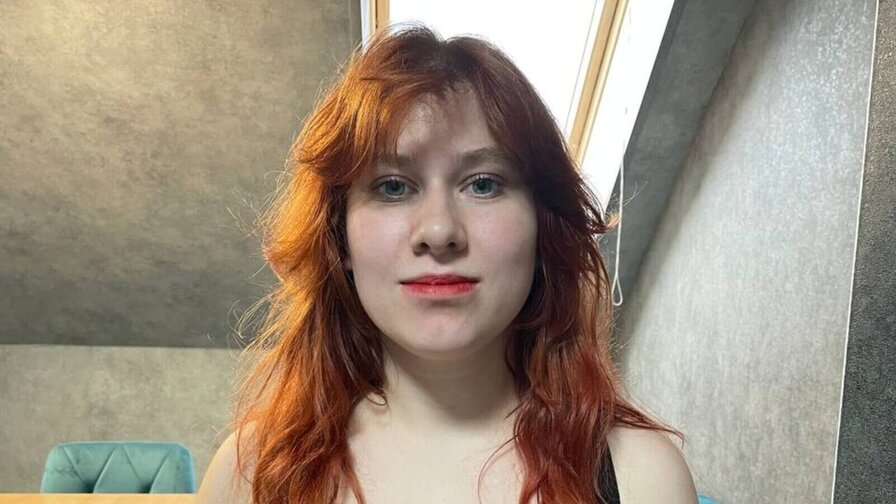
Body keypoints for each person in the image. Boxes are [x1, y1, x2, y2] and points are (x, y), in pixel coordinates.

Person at [197, 23, 698, 504]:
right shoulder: (248, 475)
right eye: (393, 187)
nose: (439, 231)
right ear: (339, 238)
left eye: (483, 183)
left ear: (543, 227)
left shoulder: (643, 475)